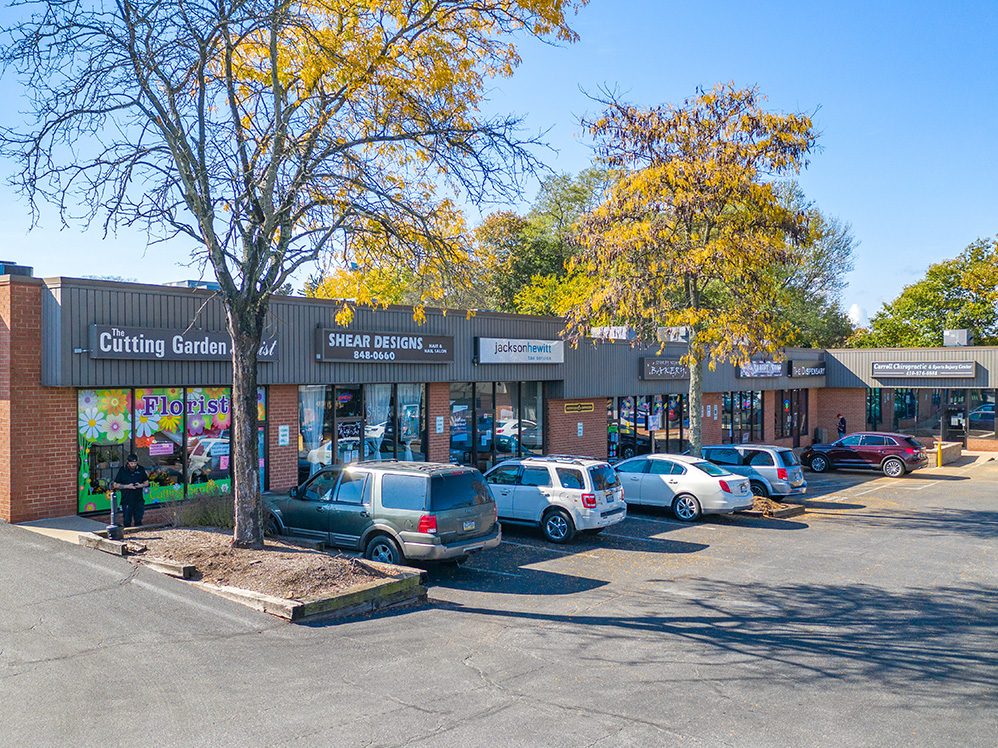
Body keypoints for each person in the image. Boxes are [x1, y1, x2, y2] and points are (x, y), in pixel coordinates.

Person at [113, 453, 149, 527]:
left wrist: (140, 485)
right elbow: (115, 485)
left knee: (139, 520)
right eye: (131, 463)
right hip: (127, 500)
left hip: (138, 499)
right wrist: (127, 486)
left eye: (135, 463)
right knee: (127, 520)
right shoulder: (122, 470)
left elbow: (146, 483)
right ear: (128, 462)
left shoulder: (141, 469)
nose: (133, 465)